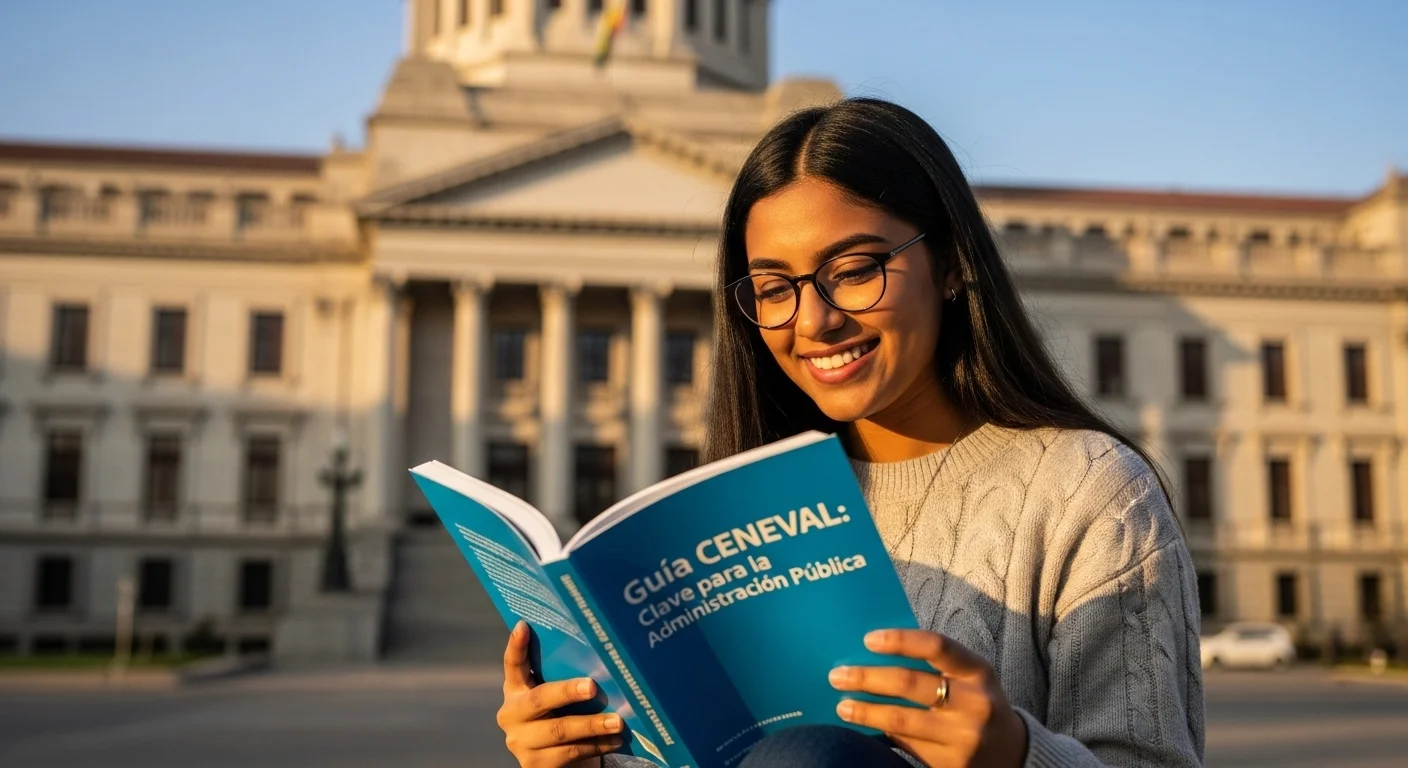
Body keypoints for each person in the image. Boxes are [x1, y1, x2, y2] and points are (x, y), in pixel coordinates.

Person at [495, 97, 1205, 768]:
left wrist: (1014, 752)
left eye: (856, 269)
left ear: (952, 263)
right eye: (775, 288)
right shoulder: (729, 512)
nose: (814, 322)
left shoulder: (1088, 491)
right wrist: (583, 753)